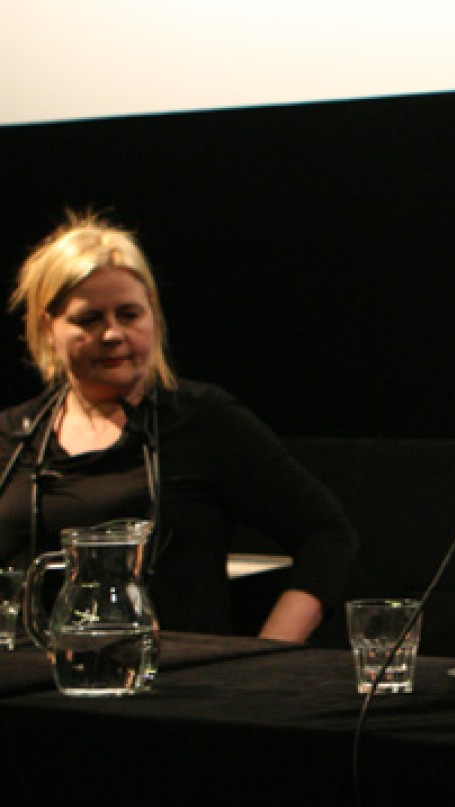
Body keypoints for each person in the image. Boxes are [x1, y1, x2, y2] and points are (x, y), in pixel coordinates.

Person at [0, 211, 358, 641]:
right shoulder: (13, 436)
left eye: (129, 314)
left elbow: (328, 534)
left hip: (175, 691)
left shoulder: (203, 419)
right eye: (89, 319)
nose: (112, 334)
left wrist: (268, 654)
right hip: (29, 692)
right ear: (48, 327)